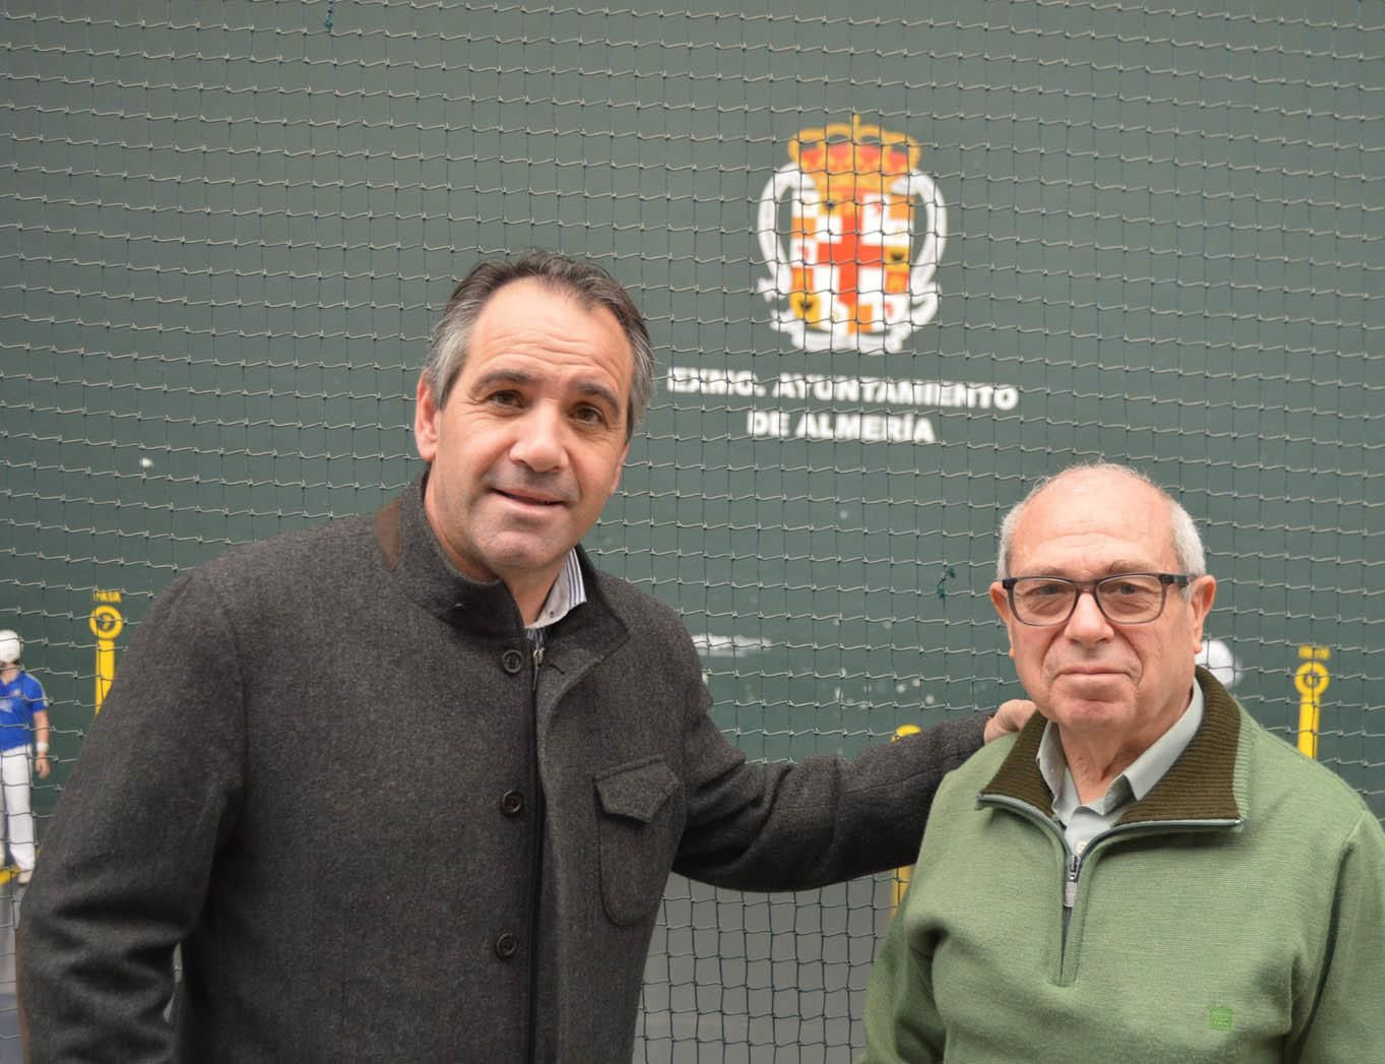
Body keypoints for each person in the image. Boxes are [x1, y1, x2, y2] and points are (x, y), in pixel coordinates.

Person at [18, 250, 1026, 1062]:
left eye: (589, 412)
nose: (544, 446)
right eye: (506, 396)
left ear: (621, 456)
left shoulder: (646, 648)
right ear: (429, 415)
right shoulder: (238, 623)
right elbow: (86, 939)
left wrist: (981, 746)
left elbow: (752, 822)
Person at [862, 463, 1385, 1063]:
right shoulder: (965, 796)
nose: (1088, 626)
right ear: (1007, 615)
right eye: (1047, 592)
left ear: (1196, 610)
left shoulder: (1330, 843)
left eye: (1128, 589)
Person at [0, 629, 51, 884]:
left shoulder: (31, 684)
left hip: (17, 754)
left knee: (18, 809)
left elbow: (41, 719)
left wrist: (41, 754)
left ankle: (26, 862)